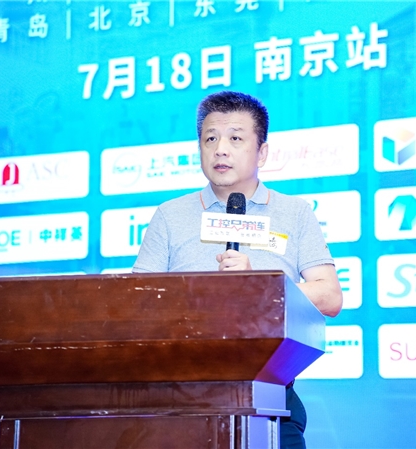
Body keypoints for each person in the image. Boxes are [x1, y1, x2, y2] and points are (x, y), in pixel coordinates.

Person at [133, 90, 343, 449]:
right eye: (210, 139)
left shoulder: (294, 212)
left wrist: (259, 289)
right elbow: (138, 301)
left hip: (270, 394)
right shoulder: (170, 215)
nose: (220, 150)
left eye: (235, 138)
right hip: (180, 397)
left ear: (261, 152)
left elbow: (329, 295)